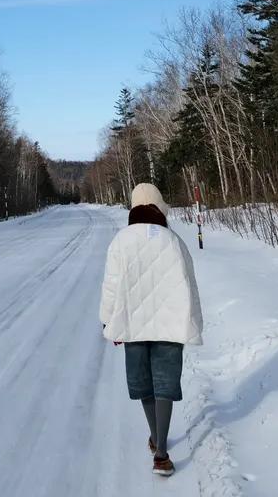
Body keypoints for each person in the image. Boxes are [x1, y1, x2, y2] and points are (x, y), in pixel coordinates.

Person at [99, 183, 203, 477]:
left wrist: (110, 321)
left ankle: (157, 437)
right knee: (165, 383)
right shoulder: (173, 240)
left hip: (133, 324)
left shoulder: (121, 240)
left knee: (143, 382)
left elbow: (111, 285)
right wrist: (191, 321)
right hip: (170, 325)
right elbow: (189, 284)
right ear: (158, 206)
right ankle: (161, 453)